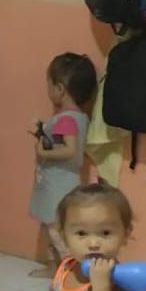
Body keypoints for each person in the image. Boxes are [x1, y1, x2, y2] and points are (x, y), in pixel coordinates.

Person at [29, 53, 95, 274]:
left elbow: (69, 149)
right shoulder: (78, 117)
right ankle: (53, 266)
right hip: (55, 182)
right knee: (49, 224)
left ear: (59, 89)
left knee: (55, 227)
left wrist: (42, 150)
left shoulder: (66, 119)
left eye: (48, 84)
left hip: (58, 182)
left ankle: (70, 267)